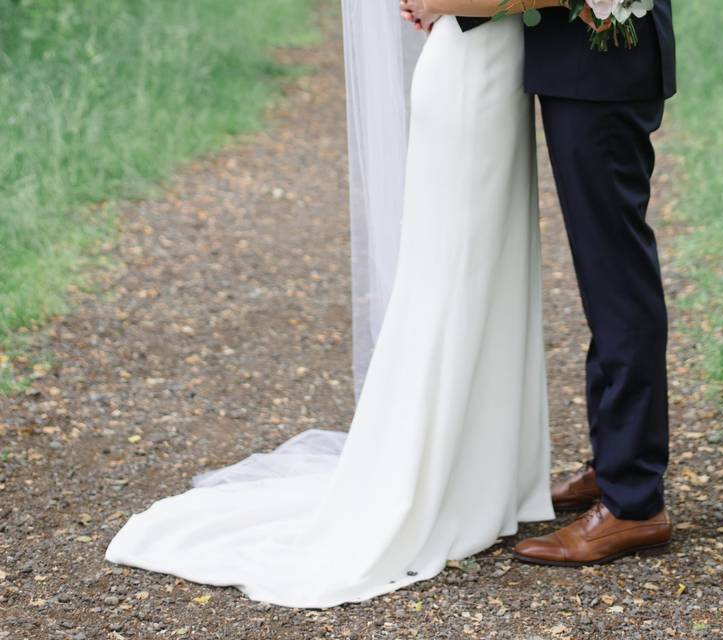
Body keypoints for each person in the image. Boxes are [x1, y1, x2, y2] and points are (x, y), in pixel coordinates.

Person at [106, 1, 556, 609]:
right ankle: (434, 474)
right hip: (471, 76)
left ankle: (485, 474)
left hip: (493, 68)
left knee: (483, 276)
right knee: (453, 278)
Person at [402, 0, 677, 566]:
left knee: (616, 276)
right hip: (578, 64)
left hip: (605, 68)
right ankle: (615, 464)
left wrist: (449, 3)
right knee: (603, 277)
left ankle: (634, 504)